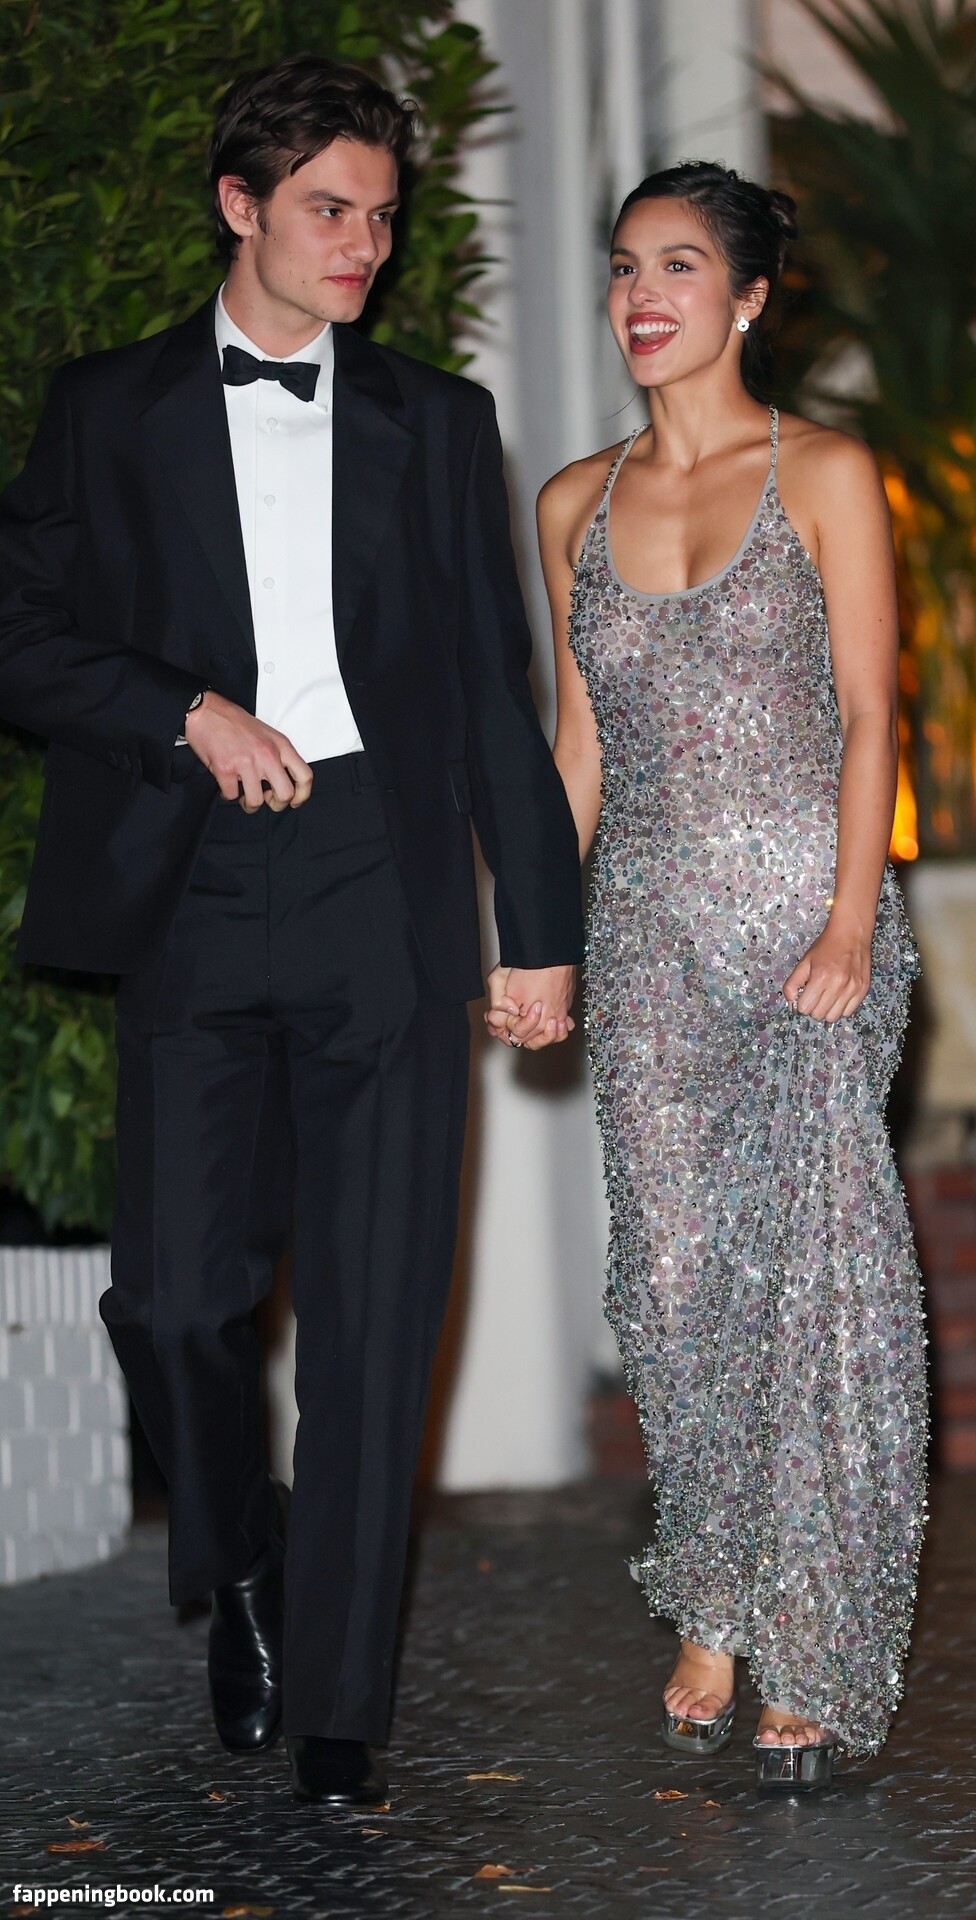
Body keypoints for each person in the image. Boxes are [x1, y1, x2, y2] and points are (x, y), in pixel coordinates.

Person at [0, 55, 581, 1807]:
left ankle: (339, 1711)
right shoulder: (109, 407)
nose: (364, 248)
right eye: (331, 210)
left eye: (383, 218)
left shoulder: (437, 420)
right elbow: (19, 634)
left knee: (376, 1315)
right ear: (238, 206)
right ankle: (240, 1539)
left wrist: (538, 926)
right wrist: (182, 712)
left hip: (381, 889)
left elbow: (491, 691)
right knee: (174, 1301)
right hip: (191, 880)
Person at [489, 162, 928, 1792]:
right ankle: (716, 1597)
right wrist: (532, 936)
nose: (641, 295)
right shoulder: (569, 504)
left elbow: (873, 714)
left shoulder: (825, 472)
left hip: (815, 925)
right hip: (651, 935)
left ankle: (806, 1637)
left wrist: (851, 925)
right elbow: (578, 750)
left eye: (679, 266)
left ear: (747, 299)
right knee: (673, 1284)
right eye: (623, 267)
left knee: (807, 1285)